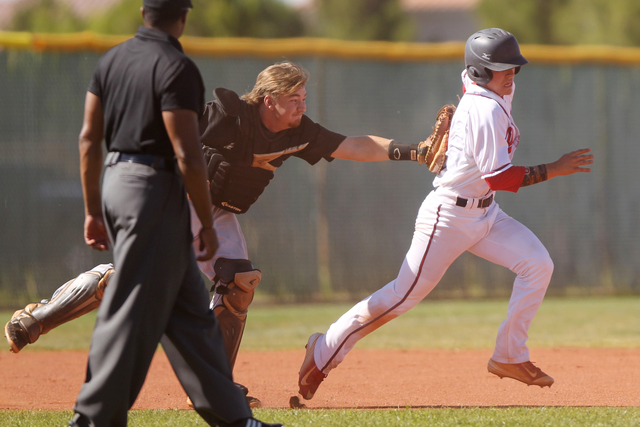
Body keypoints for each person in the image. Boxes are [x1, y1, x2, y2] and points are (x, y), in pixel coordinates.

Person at [5, 60, 431, 407]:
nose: (302, 104)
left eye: (303, 97)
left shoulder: (299, 133)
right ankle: (37, 317)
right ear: (269, 101)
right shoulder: (228, 118)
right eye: (294, 99)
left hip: (219, 213)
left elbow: (353, 145)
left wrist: (415, 152)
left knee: (239, 283)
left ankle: (212, 390)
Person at [296, 28, 595, 401]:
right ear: (482, 72)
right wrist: (555, 167)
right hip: (449, 218)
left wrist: (459, 144)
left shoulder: (489, 86)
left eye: (514, 68)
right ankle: (323, 351)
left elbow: (471, 81)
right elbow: (501, 178)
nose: (512, 75)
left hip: (486, 215)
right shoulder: (484, 109)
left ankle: (509, 354)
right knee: (401, 297)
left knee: (537, 264)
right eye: (503, 69)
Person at [65, 1, 281, 426]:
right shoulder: (177, 67)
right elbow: (187, 151)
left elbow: (90, 139)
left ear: (144, 13)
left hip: (117, 182)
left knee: (190, 317)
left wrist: (93, 209)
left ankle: (236, 419)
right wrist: (205, 220)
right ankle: (90, 419)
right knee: (130, 311)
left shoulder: (111, 60)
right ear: (182, 16)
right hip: (154, 189)